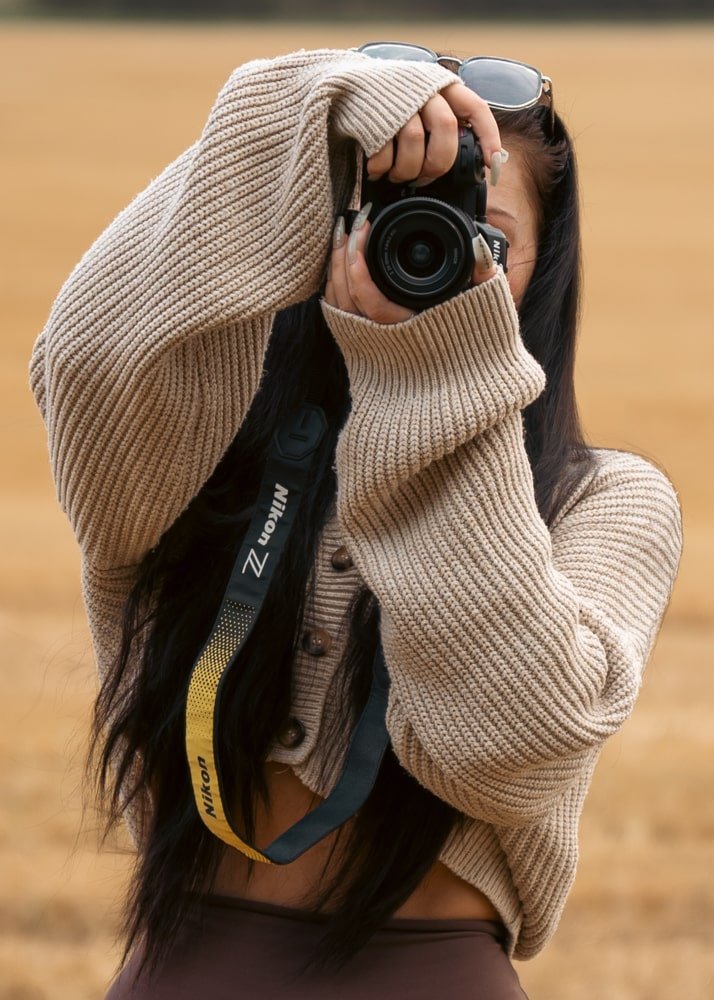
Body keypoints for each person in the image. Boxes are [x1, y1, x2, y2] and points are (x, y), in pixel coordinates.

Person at [30, 43, 682, 999]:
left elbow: (509, 744)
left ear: (543, 271)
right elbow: (87, 367)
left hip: (435, 974)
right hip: (189, 958)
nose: (435, 253)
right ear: (310, 228)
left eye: (485, 240)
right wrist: (291, 108)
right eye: (384, 219)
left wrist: (437, 376)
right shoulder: (206, 434)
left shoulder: (606, 499)